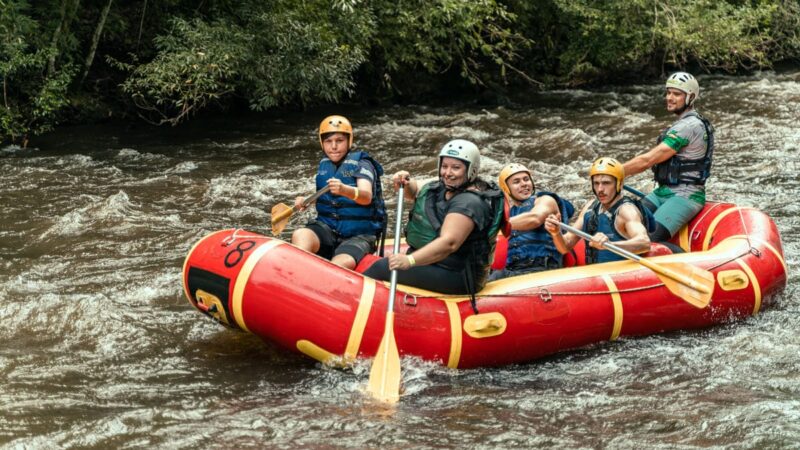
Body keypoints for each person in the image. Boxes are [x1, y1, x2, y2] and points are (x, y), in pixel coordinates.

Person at [363, 139, 506, 298]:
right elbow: (415, 191)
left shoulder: (469, 203)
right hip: (438, 264)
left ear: (471, 170)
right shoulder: (444, 186)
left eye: (456, 168)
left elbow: (449, 243)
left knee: (381, 267)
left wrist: (410, 260)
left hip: (458, 275)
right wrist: (405, 182)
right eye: (444, 166)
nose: (448, 173)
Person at [622, 71, 715, 242]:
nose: (670, 97)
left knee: (647, 240)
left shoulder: (690, 126)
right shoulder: (682, 123)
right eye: (668, 92)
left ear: (691, 97)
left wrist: (616, 171)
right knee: (622, 223)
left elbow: (648, 160)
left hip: (686, 195)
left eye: (677, 94)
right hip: (662, 192)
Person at [291, 115, 386, 270]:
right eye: (328, 141)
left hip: (358, 235)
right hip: (327, 228)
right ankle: (300, 275)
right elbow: (326, 195)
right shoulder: (324, 164)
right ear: (322, 143)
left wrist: (344, 190)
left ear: (349, 141)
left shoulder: (363, 164)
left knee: (341, 263)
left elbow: (366, 196)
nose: (333, 146)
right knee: (300, 234)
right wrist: (307, 200)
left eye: (339, 140)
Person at [544, 157, 651, 264]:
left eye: (606, 183)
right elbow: (565, 246)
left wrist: (610, 245)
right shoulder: (590, 206)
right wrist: (556, 233)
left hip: (621, 274)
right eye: (596, 183)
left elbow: (644, 243)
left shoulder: (626, 211)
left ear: (620, 184)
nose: (600, 189)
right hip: (595, 274)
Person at [489, 163, 574, 280]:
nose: (524, 184)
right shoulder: (509, 213)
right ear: (506, 189)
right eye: (516, 182)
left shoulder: (546, 200)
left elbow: (535, 218)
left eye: (526, 179)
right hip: (513, 270)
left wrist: (496, 224)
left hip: (542, 269)